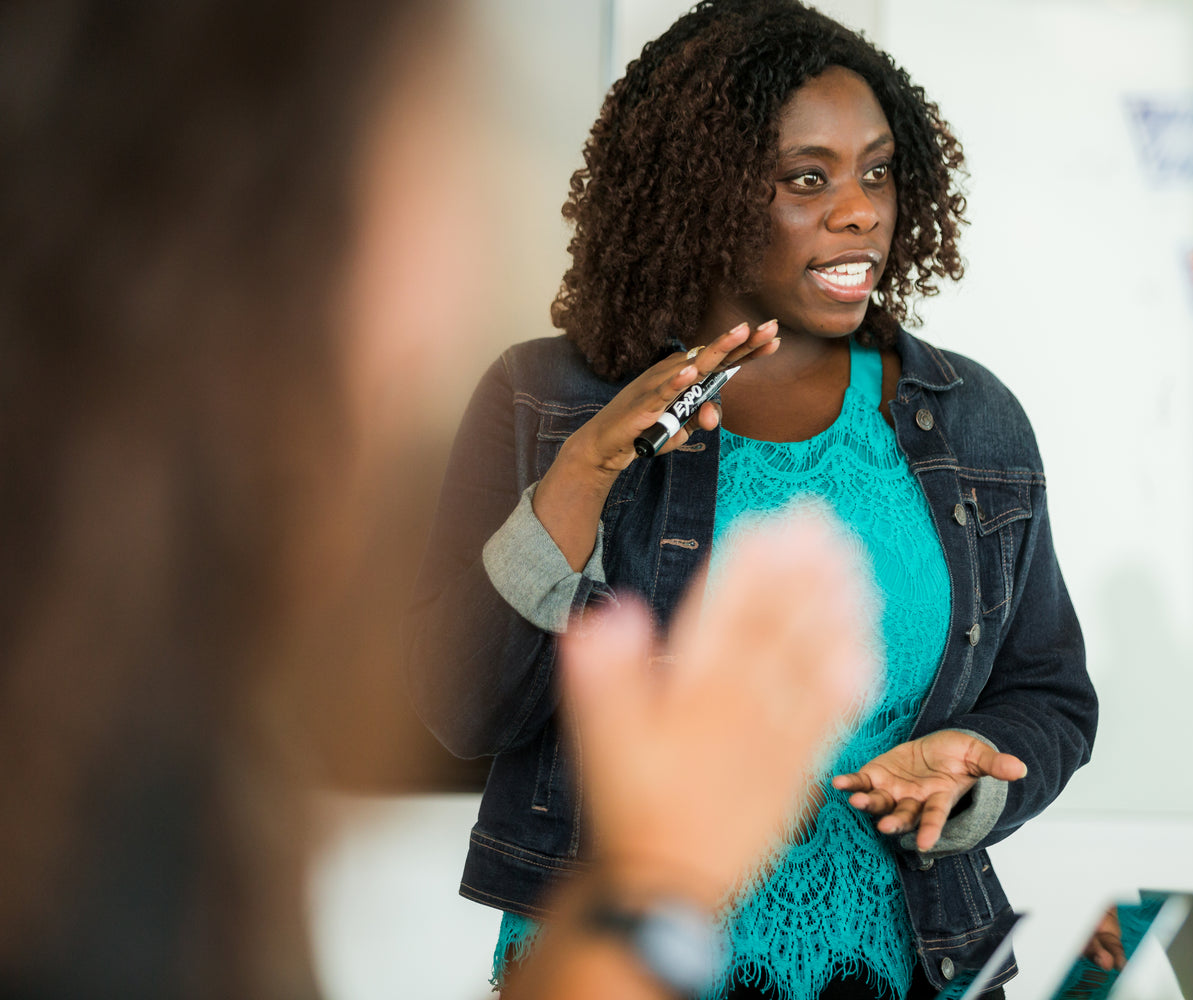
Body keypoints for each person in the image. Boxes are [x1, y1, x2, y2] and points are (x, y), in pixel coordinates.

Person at [0, 2, 875, 999]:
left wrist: (651, 885)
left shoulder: (160, 765)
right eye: (445, 153)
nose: (463, 258)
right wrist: (660, 887)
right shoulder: (99, 848)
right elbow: (462, 704)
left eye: (876, 173)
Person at [404, 1, 1099, 998]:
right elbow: (461, 707)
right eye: (807, 178)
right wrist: (586, 472)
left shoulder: (973, 421)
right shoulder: (548, 401)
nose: (861, 209)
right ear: (706, 195)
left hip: (903, 965)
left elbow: (1051, 692)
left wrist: (973, 772)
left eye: (878, 170)